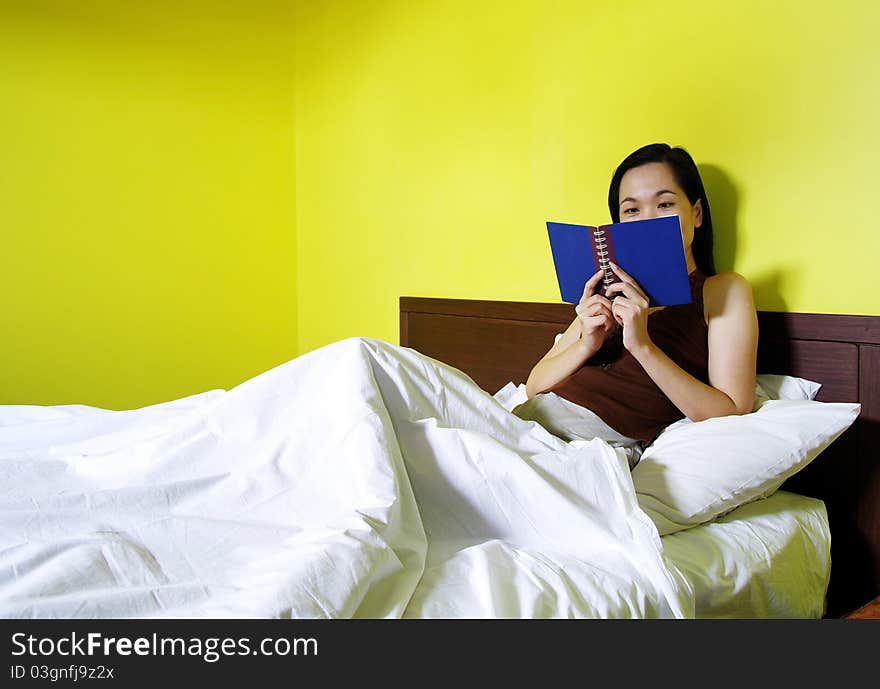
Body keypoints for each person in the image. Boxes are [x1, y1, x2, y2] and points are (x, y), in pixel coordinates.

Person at [519, 143, 758, 465]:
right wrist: (587, 343)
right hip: (530, 422)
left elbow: (732, 409)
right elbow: (535, 386)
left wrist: (642, 346)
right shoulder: (605, 292)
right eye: (632, 210)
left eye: (664, 204)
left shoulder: (722, 290)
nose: (647, 220)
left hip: (588, 442)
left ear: (696, 213)